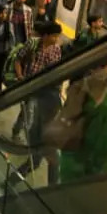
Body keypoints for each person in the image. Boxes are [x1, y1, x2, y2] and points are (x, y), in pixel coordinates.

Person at [14, 22, 65, 186]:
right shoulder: (33, 43)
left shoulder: (56, 50)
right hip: (32, 88)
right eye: (54, 36)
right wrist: (20, 76)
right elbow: (18, 58)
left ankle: (10, 181)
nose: (57, 39)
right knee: (44, 159)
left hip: (41, 93)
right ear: (46, 35)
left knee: (38, 159)